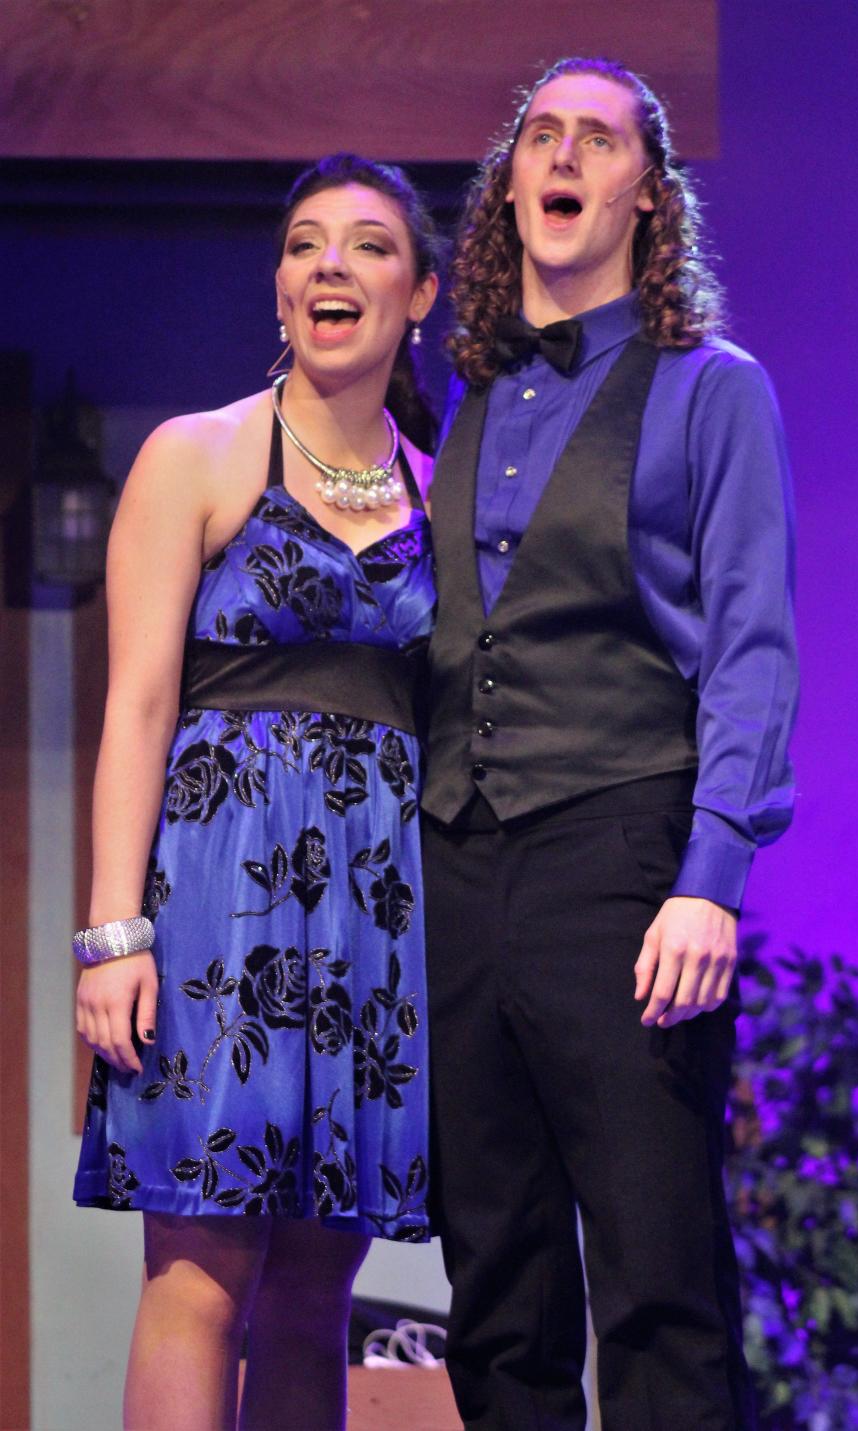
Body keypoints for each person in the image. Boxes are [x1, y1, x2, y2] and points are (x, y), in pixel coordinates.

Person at [422, 57, 798, 1430]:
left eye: (600, 137)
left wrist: (711, 872)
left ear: (647, 194)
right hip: (464, 861)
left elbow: (754, 648)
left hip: (624, 856)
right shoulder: (463, 399)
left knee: (653, 1274)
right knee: (496, 1281)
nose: (565, 154)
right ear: (514, 182)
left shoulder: (711, 390)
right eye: (543, 134)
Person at [73, 153, 440, 1431]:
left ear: (423, 293)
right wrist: (114, 934)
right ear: (281, 289)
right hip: (218, 906)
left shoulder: (441, 496)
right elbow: (138, 706)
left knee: (314, 1289)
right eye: (303, 242)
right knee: (200, 1275)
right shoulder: (201, 452)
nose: (328, 262)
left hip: (372, 918)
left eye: (368, 243)